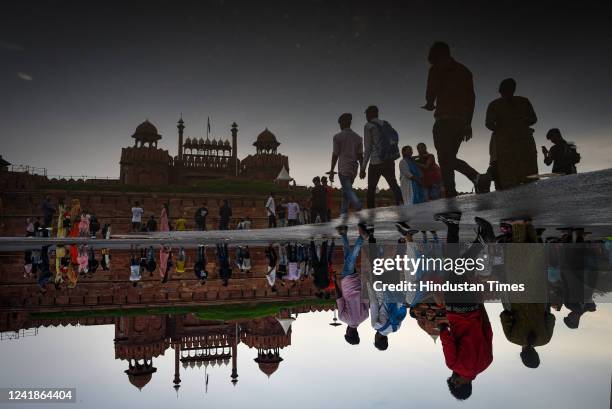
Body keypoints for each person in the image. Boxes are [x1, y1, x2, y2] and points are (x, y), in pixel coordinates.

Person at [422, 41, 489, 197]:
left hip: (443, 121)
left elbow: (430, 94)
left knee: (446, 159)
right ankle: (453, 192)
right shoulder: (465, 71)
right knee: (448, 159)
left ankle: (474, 178)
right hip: (460, 123)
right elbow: (471, 100)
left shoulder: (436, 69)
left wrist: (430, 104)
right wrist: (468, 124)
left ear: (435, 56)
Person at [485, 78, 538, 190]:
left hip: (519, 143)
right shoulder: (496, 105)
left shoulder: (522, 102)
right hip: (508, 144)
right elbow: (489, 124)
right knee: (514, 177)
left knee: (522, 176)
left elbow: (489, 124)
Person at [334, 225, 370, 345]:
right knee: (351, 259)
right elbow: (339, 298)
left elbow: (366, 297)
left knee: (347, 257)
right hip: (347, 282)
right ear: (349, 333)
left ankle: (343, 234)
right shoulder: (343, 318)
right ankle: (362, 238)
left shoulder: (365, 316)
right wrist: (334, 281)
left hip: (356, 280)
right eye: (346, 333)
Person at [361, 106, 403, 208]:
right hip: (389, 160)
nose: (366, 117)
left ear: (369, 114)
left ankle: (371, 212)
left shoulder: (368, 126)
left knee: (371, 189)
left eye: (366, 114)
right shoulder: (386, 124)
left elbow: (368, 149)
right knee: (393, 185)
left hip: (376, 162)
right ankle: (402, 205)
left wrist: (363, 168)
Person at [329, 113, 364, 215]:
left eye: (340, 123)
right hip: (354, 168)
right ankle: (344, 212)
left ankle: (357, 204)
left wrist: (331, 171)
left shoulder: (337, 137)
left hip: (344, 167)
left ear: (343, 123)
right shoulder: (358, 138)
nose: (339, 125)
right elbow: (360, 156)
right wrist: (362, 169)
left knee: (347, 189)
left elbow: (335, 155)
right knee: (345, 191)